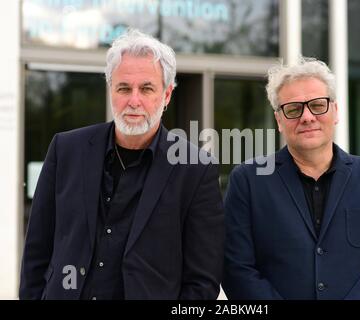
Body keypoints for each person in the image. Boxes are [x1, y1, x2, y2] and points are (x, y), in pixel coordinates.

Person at [19, 29, 224, 300]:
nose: (134, 100)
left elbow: (202, 282)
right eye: (124, 88)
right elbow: (36, 253)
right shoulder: (65, 150)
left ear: (166, 96)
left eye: (147, 88)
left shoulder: (195, 169)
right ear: (111, 90)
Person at [222, 57, 360, 300]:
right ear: (279, 120)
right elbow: (236, 269)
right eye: (294, 109)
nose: (307, 117)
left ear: (335, 111)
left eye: (318, 105)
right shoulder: (247, 181)